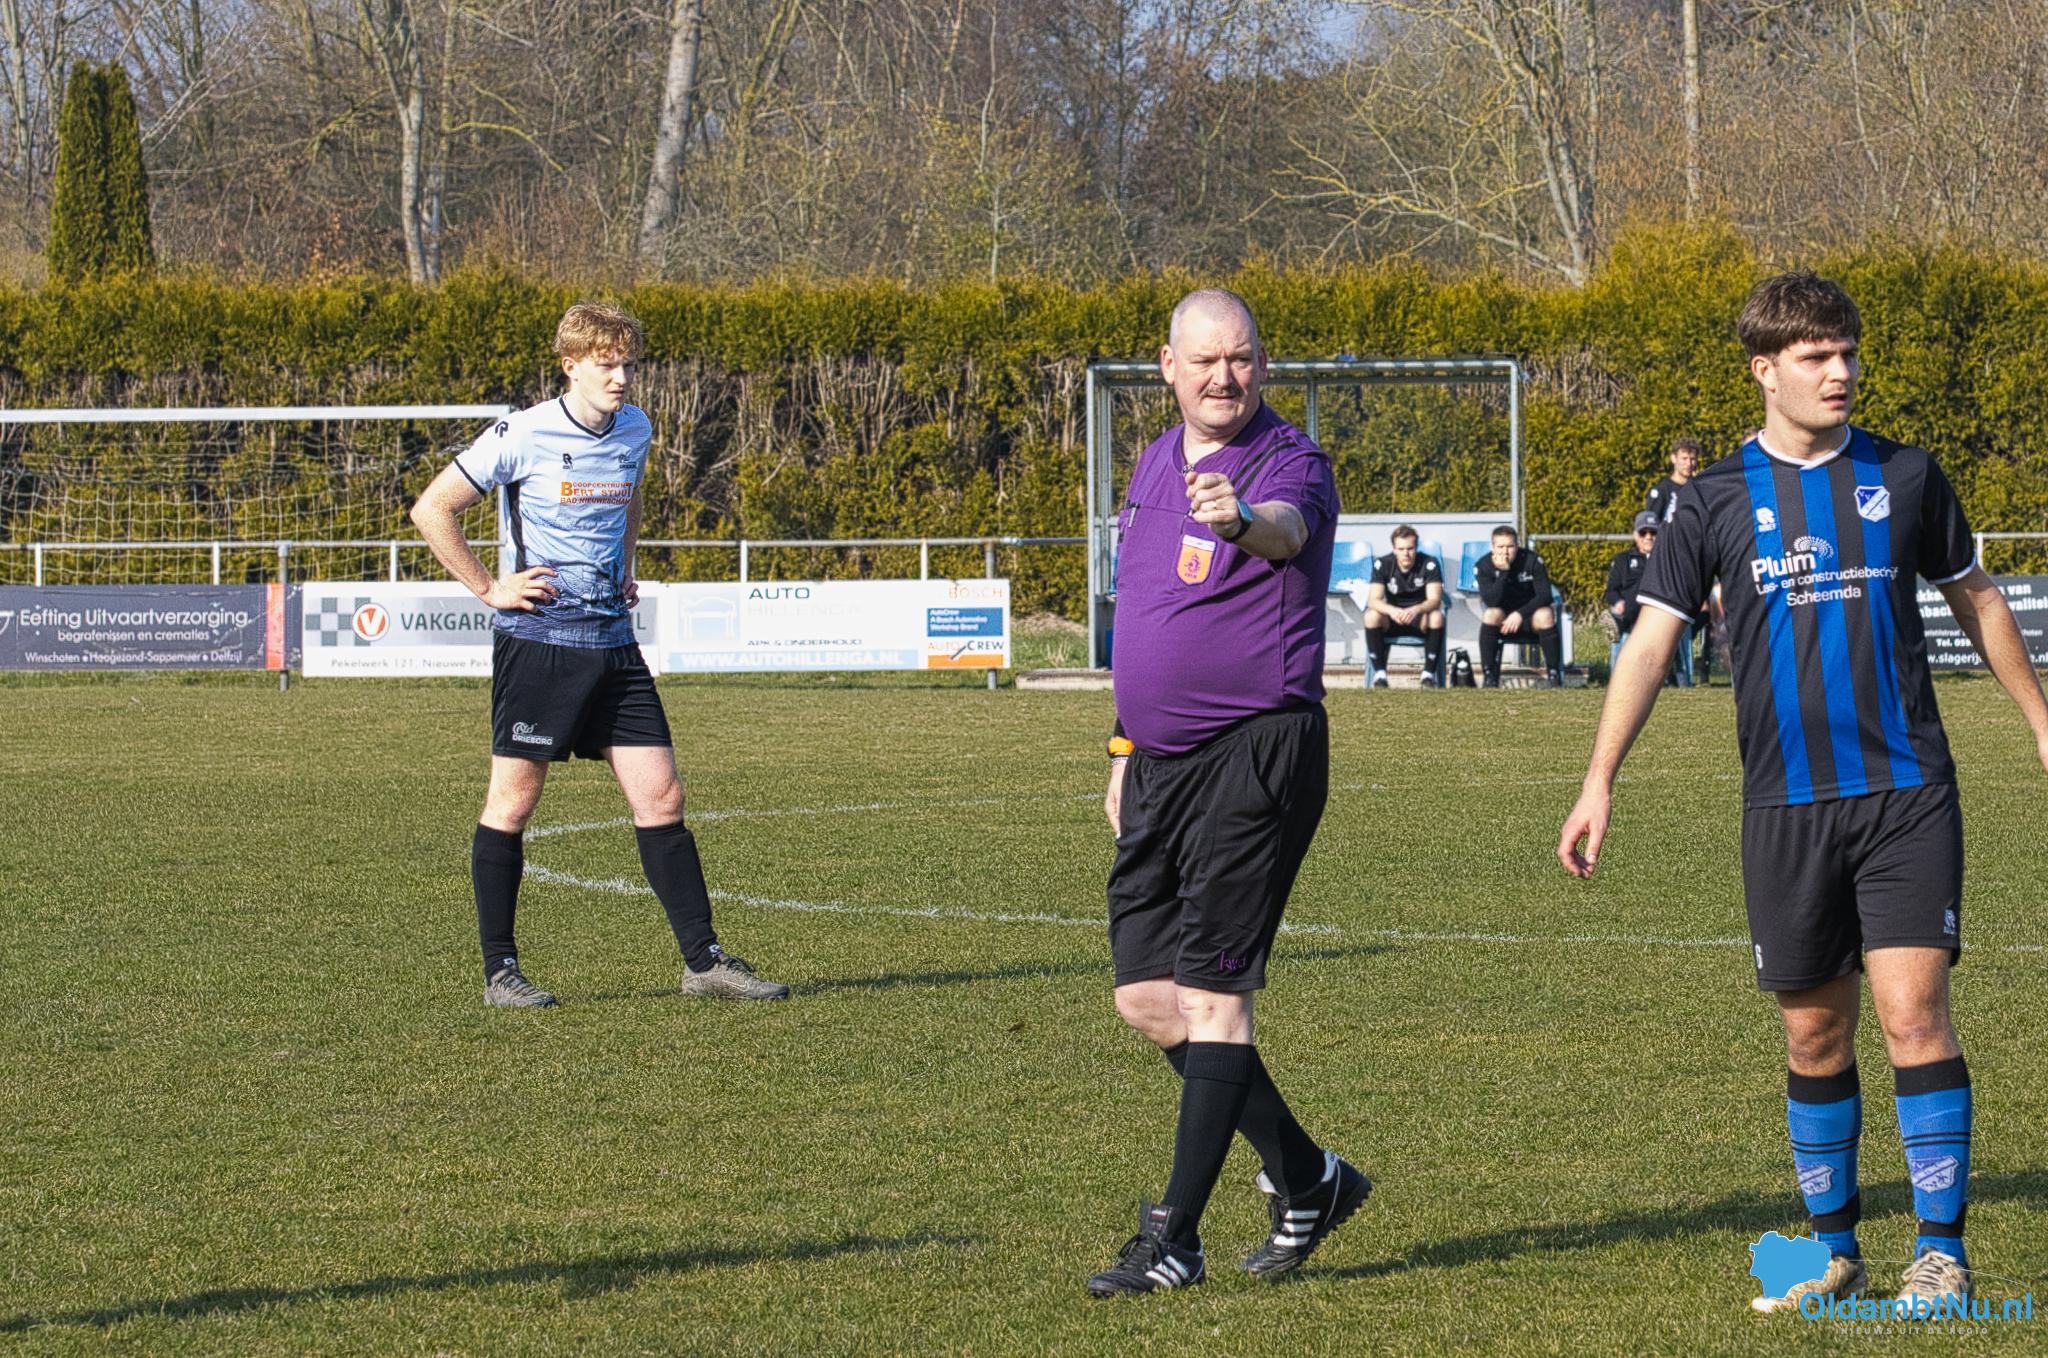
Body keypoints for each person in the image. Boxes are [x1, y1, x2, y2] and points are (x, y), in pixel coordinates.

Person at [1558, 272, 2048, 1315]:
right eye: (1816, 355)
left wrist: (2041, 721)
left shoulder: (1904, 474)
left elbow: (1975, 598)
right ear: (1764, 368)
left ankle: (1940, 1255)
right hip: (1784, 806)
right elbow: (1650, 642)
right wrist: (1599, 779)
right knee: (1812, 1036)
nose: (1840, 372)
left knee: (1912, 1014)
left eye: (1847, 352)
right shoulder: (1710, 499)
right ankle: (1835, 1254)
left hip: (1905, 791)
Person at [1089, 288, 1367, 1297]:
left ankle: (1174, 1237)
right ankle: (1308, 1176)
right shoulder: (1153, 461)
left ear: (1263, 364)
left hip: (1257, 752)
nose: (1224, 377)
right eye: (1204, 360)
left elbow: (1285, 531)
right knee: (1146, 997)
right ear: (1167, 366)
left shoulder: (1290, 461)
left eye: (1241, 358)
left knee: (1213, 996)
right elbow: (1146, 606)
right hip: (1157, 765)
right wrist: (1125, 743)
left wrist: (1242, 518)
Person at [409, 301, 788, 1008]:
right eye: (606, 365)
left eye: (628, 364)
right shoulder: (522, 433)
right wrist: (490, 587)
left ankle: (703, 962)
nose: (621, 378)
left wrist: (626, 563)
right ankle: (500, 972)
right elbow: (432, 508)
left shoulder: (635, 428)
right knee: (514, 802)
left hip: (614, 643)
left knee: (662, 795)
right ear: (571, 366)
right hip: (540, 645)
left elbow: (631, 498)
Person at [1649, 438, 1709, 685]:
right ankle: (1671, 663)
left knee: (1706, 610)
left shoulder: (1700, 487)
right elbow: (1650, 525)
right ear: (1674, 459)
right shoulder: (1662, 490)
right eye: (1684, 458)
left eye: (1692, 458)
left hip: (1696, 559)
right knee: (1673, 610)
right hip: (1670, 560)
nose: (1689, 463)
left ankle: (1683, 656)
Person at [1474, 525, 1563, 687]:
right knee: (1490, 614)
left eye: (1510, 546)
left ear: (1517, 545)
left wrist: (1520, 614)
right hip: (1504, 621)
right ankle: (1489, 675)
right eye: (1500, 547)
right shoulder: (1484, 565)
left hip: (1530, 617)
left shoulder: (1532, 560)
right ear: (1493, 547)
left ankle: (1554, 675)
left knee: (1546, 614)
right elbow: (1491, 601)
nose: (1505, 552)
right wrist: (1503, 572)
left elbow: (1545, 595)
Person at [1365, 524, 1446, 686]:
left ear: (1416, 548)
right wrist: (1393, 611)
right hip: (1393, 619)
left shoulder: (1429, 563)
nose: (1406, 553)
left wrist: (1416, 609)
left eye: (1410, 548)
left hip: (1419, 619)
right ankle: (1380, 675)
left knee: (1437, 616)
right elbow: (1373, 600)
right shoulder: (1382, 564)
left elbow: (1435, 600)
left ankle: (1428, 675)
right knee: (1371, 616)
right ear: (1394, 549)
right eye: (1401, 549)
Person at [1603, 511, 1659, 675]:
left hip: (1657, 614)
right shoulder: (1623, 560)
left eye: (1653, 532)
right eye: (1643, 533)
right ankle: (1618, 675)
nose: (1648, 537)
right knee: (1624, 610)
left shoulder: (1666, 560)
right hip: (1631, 611)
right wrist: (1618, 602)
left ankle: (1619, 623)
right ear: (1635, 535)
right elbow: (1611, 590)